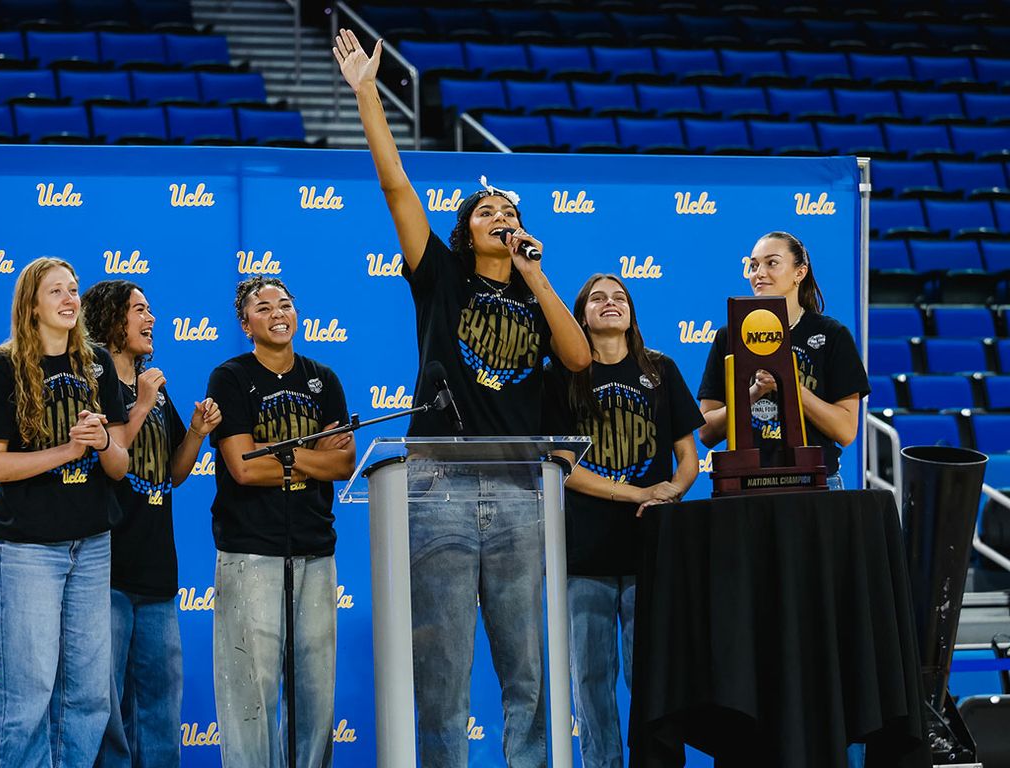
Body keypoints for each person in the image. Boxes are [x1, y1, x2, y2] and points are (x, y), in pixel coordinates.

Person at [334, 28, 592, 767]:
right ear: (465, 229)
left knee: (530, 679)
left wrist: (537, 276)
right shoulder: (441, 277)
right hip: (439, 489)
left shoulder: (538, 292)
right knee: (442, 678)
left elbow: (575, 361)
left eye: (508, 209)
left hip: (519, 491)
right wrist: (366, 95)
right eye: (486, 211)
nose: (500, 216)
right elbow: (396, 187)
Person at [0, 257, 129, 768]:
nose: (68, 298)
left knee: (88, 695)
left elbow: (121, 464)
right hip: (25, 550)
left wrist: (102, 439)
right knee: (28, 694)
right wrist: (66, 450)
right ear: (31, 305)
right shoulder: (3, 366)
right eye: (55, 290)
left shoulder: (97, 363)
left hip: (91, 544)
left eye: (73, 289)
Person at [544, 274, 702, 768]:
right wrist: (639, 491)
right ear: (580, 314)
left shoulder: (661, 369)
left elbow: (688, 457)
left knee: (651, 677)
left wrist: (671, 493)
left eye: (619, 297)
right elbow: (562, 466)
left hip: (649, 551)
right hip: (584, 553)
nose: (609, 304)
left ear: (631, 312)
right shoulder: (560, 376)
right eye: (597, 298)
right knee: (591, 681)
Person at [205, 276, 355, 768]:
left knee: (315, 694)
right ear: (245, 323)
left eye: (285, 304)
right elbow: (244, 468)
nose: (277, 313)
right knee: (251, 694)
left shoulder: (323, 379)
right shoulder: (229, 377)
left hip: (315, 549)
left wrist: (285, 457)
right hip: (251, 553)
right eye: (263, 306)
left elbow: (343, 463)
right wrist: (310, 453)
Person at [81, 280, 222, 768]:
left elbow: (176, 473)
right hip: (108, 569)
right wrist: (139, 403)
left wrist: (199, 433)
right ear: (111, 321)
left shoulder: (157, 391)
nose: (151, 318)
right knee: (108, 707)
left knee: (162, 708)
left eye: (150, 309)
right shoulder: (95, 385)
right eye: (139, 309)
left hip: (159, 570)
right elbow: (108, 461)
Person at [697, 231, 870, 490]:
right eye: (754, 265)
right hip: (745, 485)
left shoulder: (831, 334)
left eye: (772, 263)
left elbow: (845, 431)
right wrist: (753, 393)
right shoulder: (728, 336)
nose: (759, 273)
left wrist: (788, 385)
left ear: (800, 273)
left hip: (815, 483)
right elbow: (706, 431)